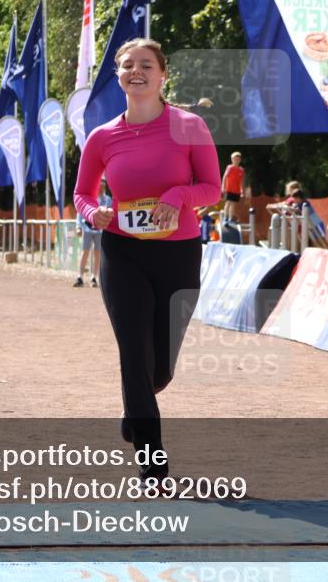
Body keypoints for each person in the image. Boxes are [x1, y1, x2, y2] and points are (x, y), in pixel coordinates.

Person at [73, 37, 221, 483]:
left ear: (163, 75)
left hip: (178, 253)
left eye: (145, 65)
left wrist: (178, 196)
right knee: (133, 353)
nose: (136, 71)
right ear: (118, 76)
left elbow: (212, 189)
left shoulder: (190, 126)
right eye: (127, 65)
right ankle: (153, 463)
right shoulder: (102, 136)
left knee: (159, 369)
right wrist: (91, 211)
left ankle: (135, 409)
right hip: (123, 252)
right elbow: (82, 193)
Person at [74, 180, 111, 287]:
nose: (101, 188)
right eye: (100, 185)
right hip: (87, 229)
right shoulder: (90, 196)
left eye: (103, 186)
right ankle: (80, 276)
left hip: (100, 231)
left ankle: (94, 277)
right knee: (85, 252)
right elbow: (80, 211)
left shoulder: (107, 199)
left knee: (97, 253)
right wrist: (78, 226)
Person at [221, 152, 244, 222]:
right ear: (232, 159)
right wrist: (223, 187)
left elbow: (241, 181)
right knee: (228, 203)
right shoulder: (229, 167)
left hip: (236, 190)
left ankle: (230, 218)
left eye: (237, 159)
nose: (236, 160)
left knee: (233, 204)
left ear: (240, 160)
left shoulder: (241, 170)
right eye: (234, 159)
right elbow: (224, 177)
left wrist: (242, 190)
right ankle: (225, 217)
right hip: (229, 189)